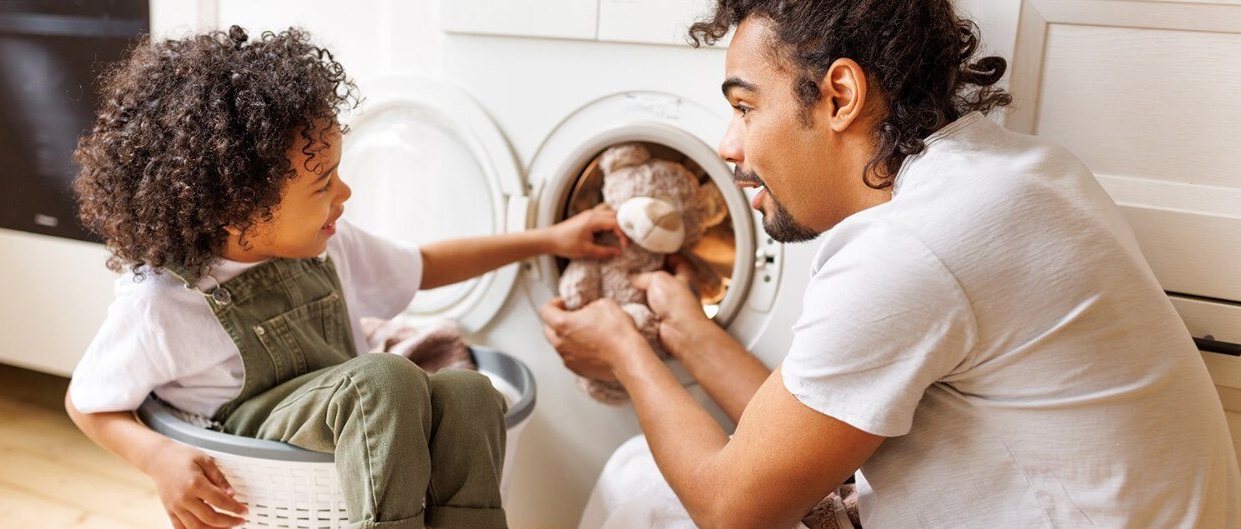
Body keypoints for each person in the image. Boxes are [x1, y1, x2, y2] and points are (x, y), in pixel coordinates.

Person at [540, 1, 1241, 528]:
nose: (728, 144)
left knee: (641, 484)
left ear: (839, 96)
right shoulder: (1011, 173)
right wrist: (688, 331)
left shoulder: (913, 248)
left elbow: (734, 507)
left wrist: (629, 353)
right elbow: (816, 430)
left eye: (746, 108)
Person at [64, 26, 622, 529]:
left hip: (362, 425)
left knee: (468, 393)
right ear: (238, 209)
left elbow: (425, 265)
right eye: (323, 184)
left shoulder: (329, 245)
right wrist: (156, 456)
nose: (345, 193)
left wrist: (550, 239)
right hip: (263, 456)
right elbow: (87, 403)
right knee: (385, 378)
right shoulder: (162, 303)